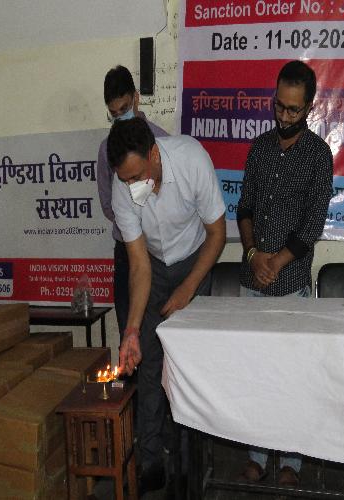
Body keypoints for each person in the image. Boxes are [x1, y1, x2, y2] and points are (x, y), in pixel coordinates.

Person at [107, 117, 226, 495]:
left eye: (136, 176)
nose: (132, 186)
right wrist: (131, 330)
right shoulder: (122, 186)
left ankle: (191, 463)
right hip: (154, 268)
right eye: (125, 180)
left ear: (154, 155)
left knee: (190, 365)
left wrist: (188, 289)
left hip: (195, 261)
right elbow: (139, 265)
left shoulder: (192, 159)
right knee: (147, 361)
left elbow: (217, 234)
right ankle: (152, 462)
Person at [236, 60, 333, 487]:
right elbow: (244, 209)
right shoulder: (258, 149)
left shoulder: (319, 155)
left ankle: (292, 461)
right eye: (279, 106)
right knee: (255, 375)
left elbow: (311, 227)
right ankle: (256, 456)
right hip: (251, 280)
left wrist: (275, 262)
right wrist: (253, 253)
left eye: (293, 109)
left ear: (309, 107)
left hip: (291, 285)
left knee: (292, 377)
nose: (284, 116)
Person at [97, 65, 168, 337]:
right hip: (126, 250)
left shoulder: (161, 140)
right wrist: (130, 224)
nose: (120, 117)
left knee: (160, 328)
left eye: (125, 109)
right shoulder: (106, 149)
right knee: (129, 327)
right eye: (113, 113)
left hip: (158, 247)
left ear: (136, 99)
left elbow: (169, 195)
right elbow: (108, 204)